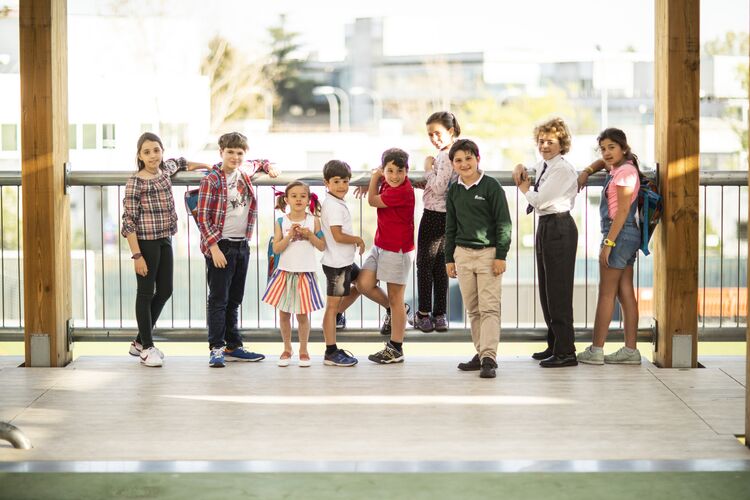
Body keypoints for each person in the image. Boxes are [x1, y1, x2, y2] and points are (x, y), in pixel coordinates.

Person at [122, 132, 208, 367]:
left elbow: (181, 162)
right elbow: (128, 221)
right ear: (139, 155)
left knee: (166, 289)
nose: (153, 156)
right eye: (147, 152)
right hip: (146, 242)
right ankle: (147, 348)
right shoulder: (136, 182)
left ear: (162, 152)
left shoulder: (165, 170)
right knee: (146, 292)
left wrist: (206, 167)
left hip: (165, 239)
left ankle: (140, 341)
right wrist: (137, 255)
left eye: (156, 150)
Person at [196, 132, 279, 368]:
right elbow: (203, 217)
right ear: (221, 152)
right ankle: (216, 348)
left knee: (235, 299)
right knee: (218, 300)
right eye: (230, 152)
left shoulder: (244, 172)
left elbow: (259, 163)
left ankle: (234, 345)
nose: (235, 156)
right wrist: (214, 248)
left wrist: (269, 166)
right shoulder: (212, 179)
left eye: (239, 153)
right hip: (221, 246)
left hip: (242, 245)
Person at [512, 118, 580, 368]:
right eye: (541, 141)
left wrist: (522, 188)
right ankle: (554, 343)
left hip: (559, 226)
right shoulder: (544, 165)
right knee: (547, 291)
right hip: (546, 226)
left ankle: (566, 351)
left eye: (551, 141)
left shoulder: (562, 169)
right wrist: (520, 166)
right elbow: (531, 172)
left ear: (562, 144)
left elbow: (540, 199)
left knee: (559, 291)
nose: (545, 145)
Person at [577, 128, 642, 365]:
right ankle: (631, 351)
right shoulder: (619, 167)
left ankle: (596, 350)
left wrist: (608, 243)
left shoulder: (625, 173)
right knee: (625, 291)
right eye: (603, 148)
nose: (606, 152)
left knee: (606, 293)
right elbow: (601, 163)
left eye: (611, 147)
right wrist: (587, 170)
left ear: (624, 148)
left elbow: (623, 211)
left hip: (618, 233)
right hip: (625, 235)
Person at [446, 139, 511, 379]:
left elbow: (504, 223)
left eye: (468, 158)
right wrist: (449, 259)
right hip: (462, 255)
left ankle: (489, 358)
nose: (464, 164)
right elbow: (450, 226)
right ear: (453, 164)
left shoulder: (491, 187)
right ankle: (480, 352)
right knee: (473, 310)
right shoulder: (454, 190)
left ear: (477, 159)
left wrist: (500, 256)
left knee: (489, 308)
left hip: (488, 255)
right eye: (458, 160)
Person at [319, 160, 390, 366]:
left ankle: (393, 309)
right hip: (336, 265)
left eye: (345, 181)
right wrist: (357, 239)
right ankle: (330, 352)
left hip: (345, 262)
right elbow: (338, 235)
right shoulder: (332, 206)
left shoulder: (336, 202)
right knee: (331, 308)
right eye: (336, 181)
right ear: (327, 183)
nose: (342, 186)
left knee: (361, 285)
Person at [262, 181, 326, 367]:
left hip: (305, 273)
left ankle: (304, 350)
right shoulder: (281, 221)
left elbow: (321, 246)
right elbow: (276, 247)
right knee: (284, 314)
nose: (298, 199)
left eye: (302, 196)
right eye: (294, 196)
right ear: (287, 199)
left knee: (302, 315)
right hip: (285, 272)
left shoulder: (313, 220)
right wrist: (289, 236)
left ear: (308, 200)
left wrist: (310, 235)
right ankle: (287, 348)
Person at [361, 148, 416, 364]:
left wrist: (374, 177)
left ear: (406, 171)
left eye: (399, 171)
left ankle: (396, 348)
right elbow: (375, 193)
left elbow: (373, 201)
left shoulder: (402, 190)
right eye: (389, 171)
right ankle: (398, 311)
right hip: (380, 245)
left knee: (396, 298)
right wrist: (373, 183)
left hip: (398, 250)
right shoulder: (388, 183)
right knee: (364, 284)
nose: (394, 176)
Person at [409, 111, 460, 333]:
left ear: (450, 131)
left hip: (433, 215)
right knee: (440, 266)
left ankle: (423, 314)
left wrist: (428, 167)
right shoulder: (458, 153)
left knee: (425, 265)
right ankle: (440, 314)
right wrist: (430, 179)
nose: (434, 138)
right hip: (448, 216)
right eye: (430, 135)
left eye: (438, 133)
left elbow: (439, 186)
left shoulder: (443, 156)